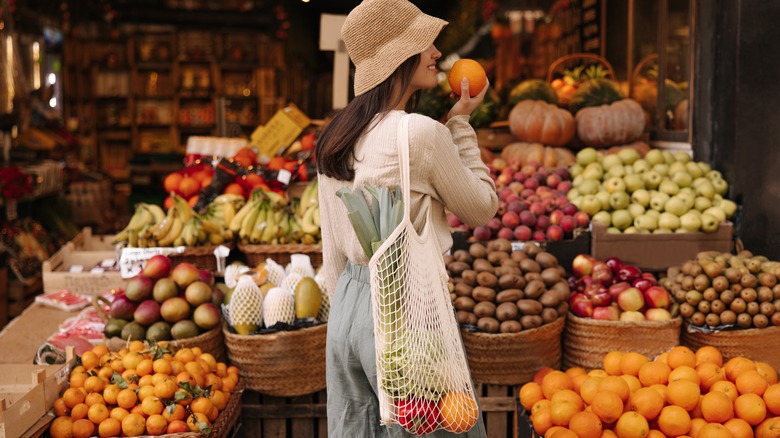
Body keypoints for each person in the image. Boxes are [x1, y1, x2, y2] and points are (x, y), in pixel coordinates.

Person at [316, 0, 498, 436]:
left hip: (348, 307)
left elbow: (334, 247)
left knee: (358, 428)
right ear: (400, 57)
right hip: (404, 305)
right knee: (432, 428)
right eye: (424, 43)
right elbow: (481, 208)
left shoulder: (336, 136)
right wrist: (461, 127)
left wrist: (345, 318)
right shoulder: (420, 133)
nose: (436, 53)